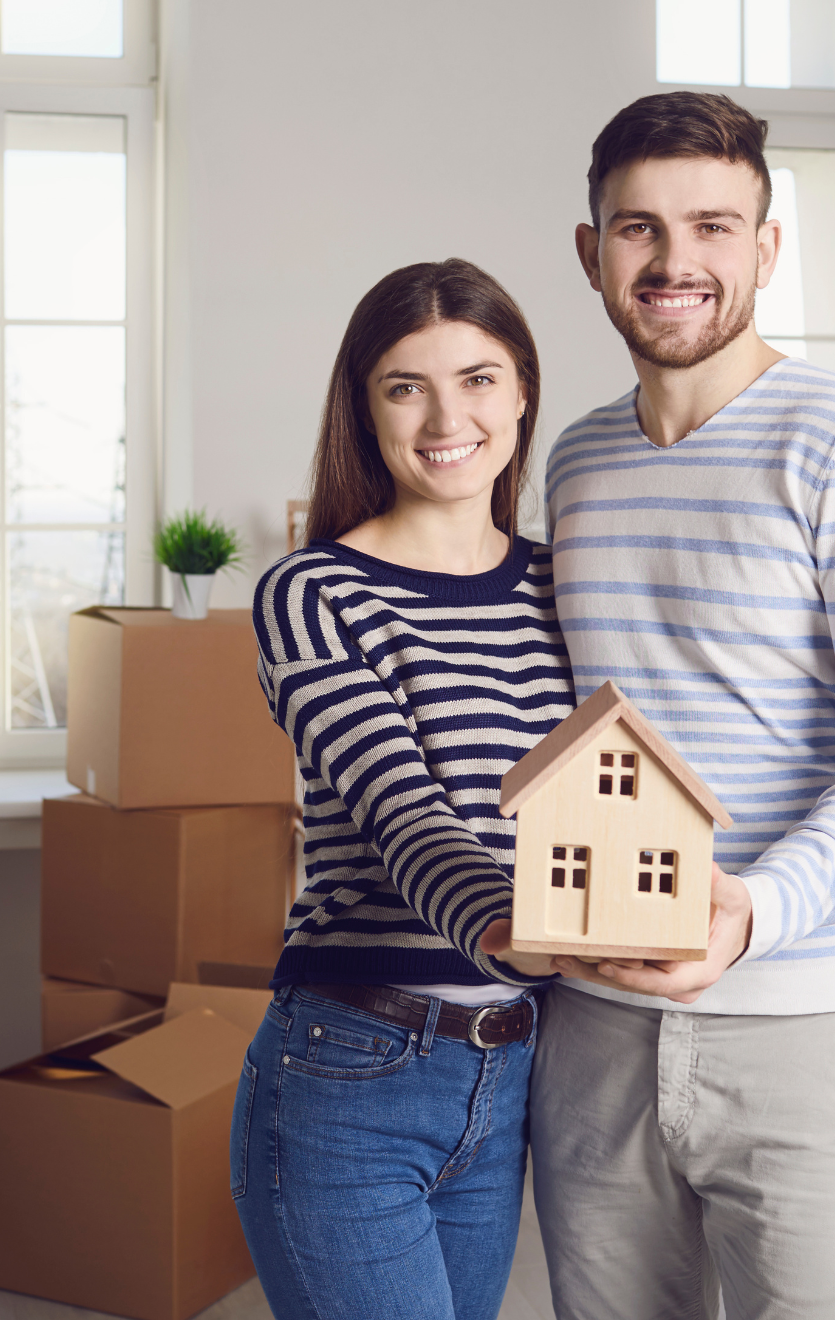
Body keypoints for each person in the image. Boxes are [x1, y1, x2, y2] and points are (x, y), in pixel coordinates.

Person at [530, 91, 835, 1319]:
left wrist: (756, 911)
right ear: (591, 249)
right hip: (595, 1029)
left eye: (714, 227)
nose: (675, 262)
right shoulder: (577, 459)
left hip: (806, 1020)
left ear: (766, 250)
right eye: (639, 229)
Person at [231, 258, 572, 1320]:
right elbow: (400, 811)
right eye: (404, 386)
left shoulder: (567, 585)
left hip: (515, 1067)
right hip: (350, 1069)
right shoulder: (312, 591)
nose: (445, 416)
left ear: (521, 391)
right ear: (363, 407)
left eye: (478, 378)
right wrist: (510, 926)